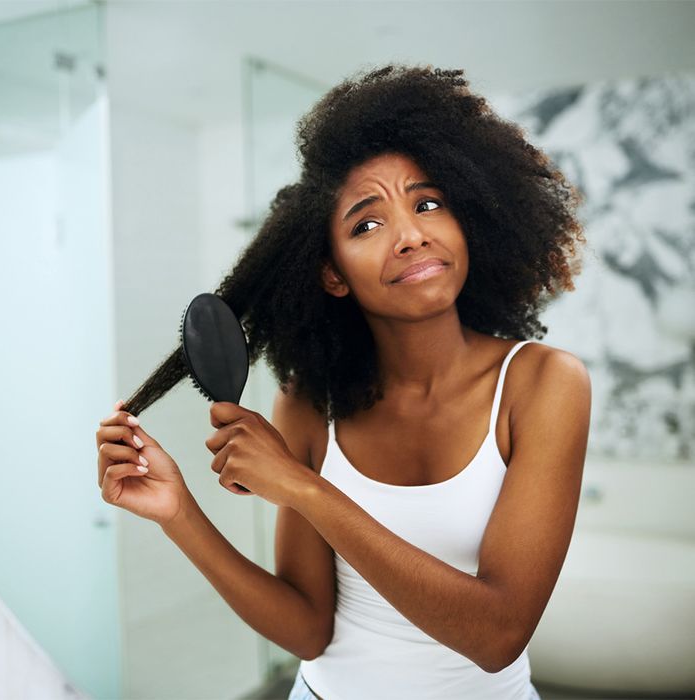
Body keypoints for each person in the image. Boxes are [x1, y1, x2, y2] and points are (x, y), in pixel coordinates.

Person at [95, 64, 591, 700]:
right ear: (332, 274)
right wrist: (178, 513)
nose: (411, 235)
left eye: (428, 203)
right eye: (367, 223)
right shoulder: (310, 404)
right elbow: (307, 632)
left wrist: (303, 488)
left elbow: (497, 637)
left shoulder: (543, 383)